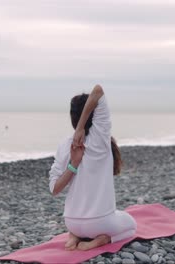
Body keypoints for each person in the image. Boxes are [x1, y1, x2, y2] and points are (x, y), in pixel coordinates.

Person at [49, 84, 137, 251]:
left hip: (71, 221)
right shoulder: (100, 139)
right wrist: (82, 127)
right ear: (94, 115)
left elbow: (54, 189)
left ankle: (74, 236)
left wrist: (73, 165)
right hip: (100, 223)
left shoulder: (65, 145)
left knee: (85, 224)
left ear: (71, 117)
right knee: (131, 224)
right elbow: (98, 91)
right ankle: (102, 239)